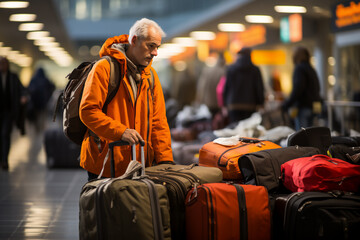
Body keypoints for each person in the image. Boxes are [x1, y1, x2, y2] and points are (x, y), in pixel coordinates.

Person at [79, 18, 174, 180]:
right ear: (135, 40)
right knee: (106, 205)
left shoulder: (151, 77)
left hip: (140, 163)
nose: (155, 53)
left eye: (157, 47)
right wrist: (120, 132)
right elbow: (88, 111)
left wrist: (165, 160)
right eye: (150, 46)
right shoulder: (105, 68)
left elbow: (159, 122)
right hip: (106, 162)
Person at [281, 46, 322, 130]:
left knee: (301, 136)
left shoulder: (299, 69)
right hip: (313, 107)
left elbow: (298, 89)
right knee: (310, 135)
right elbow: (318, 87)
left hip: (303, 107)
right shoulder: (311, 69)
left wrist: (287, 104)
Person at [223, 47, 265, 124]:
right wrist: (261, 103)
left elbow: (226, 87)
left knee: (235, 129)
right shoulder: (255, 69)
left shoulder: (231, 69)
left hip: (233, 105)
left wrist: (224, 104)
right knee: (248, 130)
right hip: (250, 105)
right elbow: (259, 88)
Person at [0, 56, 28, 170]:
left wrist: (23, 96)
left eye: (4, 63)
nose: (2, 66)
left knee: (5, 135)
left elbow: (22, 89)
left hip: (8, 112)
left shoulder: (13, 77)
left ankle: (5, 160)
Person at [196, 52, 226, 116]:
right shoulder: (223, 72)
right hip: (219, 103)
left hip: (208, 102)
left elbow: (201, 86)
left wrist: (201, 100)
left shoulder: (207, 71)